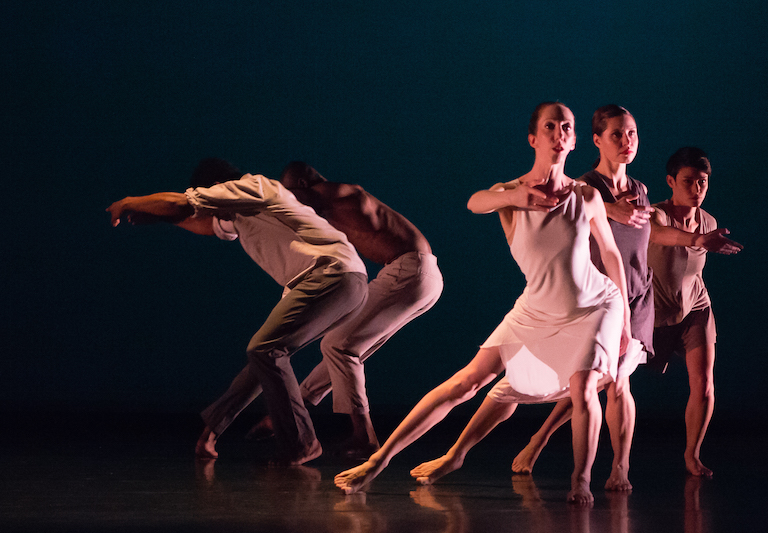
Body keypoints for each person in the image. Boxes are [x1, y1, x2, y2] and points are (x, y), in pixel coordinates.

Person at [335, 102, 633, 504]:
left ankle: (580, 480)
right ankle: (380, 460)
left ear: (576, 140)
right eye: (550, 126)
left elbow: (611, 255)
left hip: (594, 306)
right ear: (533, 138)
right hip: (537, 308)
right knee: (468, 382)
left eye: (567, 127)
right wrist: (518, 195)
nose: (559, 133)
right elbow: (476, 201)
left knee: (582, 388)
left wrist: (626, 321)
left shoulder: (586, 196)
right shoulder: (508, 196)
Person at [410, 105, 652, 492]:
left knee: (608, 384)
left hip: (619, 298)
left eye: (633, 133)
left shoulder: (639, 191)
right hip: (557, 303)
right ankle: (464, 453)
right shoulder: (587, 185)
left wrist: (626, 310)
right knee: (509, 387)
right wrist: (602, 209)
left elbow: (621, 249)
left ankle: (608, 471)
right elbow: (483, 200)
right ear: (593, 141)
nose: (627, 141)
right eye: (617, 135)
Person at [106, 158, 369, 465]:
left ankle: (301, 444)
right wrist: (162, 217)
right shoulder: (245, 210)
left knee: (265, 350)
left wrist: (128, 202)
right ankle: (211, 434)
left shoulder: (253, 186)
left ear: (219, 187)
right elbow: (203, 223)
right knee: (264, 357)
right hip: (347, 282)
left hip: (331, 275)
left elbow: (184, 203)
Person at [242, 162, 444, 458]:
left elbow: (290, 204)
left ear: (301, 183)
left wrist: (237, 200)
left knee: (338, 345)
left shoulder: (333, 193)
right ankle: (288, 414)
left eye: (290, 190)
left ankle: (365, 436)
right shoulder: (333, 207)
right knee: (345, 349)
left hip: (409, 270)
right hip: (421, 276)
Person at [647, 146, 742, 477]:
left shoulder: (709, 221)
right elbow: (661, 235)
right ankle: (539, 439)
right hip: (655, 315)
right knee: (601, 382)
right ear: (671, 181)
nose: (696, 189)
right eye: (688, 181)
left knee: (703, 384)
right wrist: (697, 239)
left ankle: (692, 454)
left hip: (695, 309)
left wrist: (702, 237)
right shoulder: (655, 214)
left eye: (702, 182)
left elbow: (693, 271)